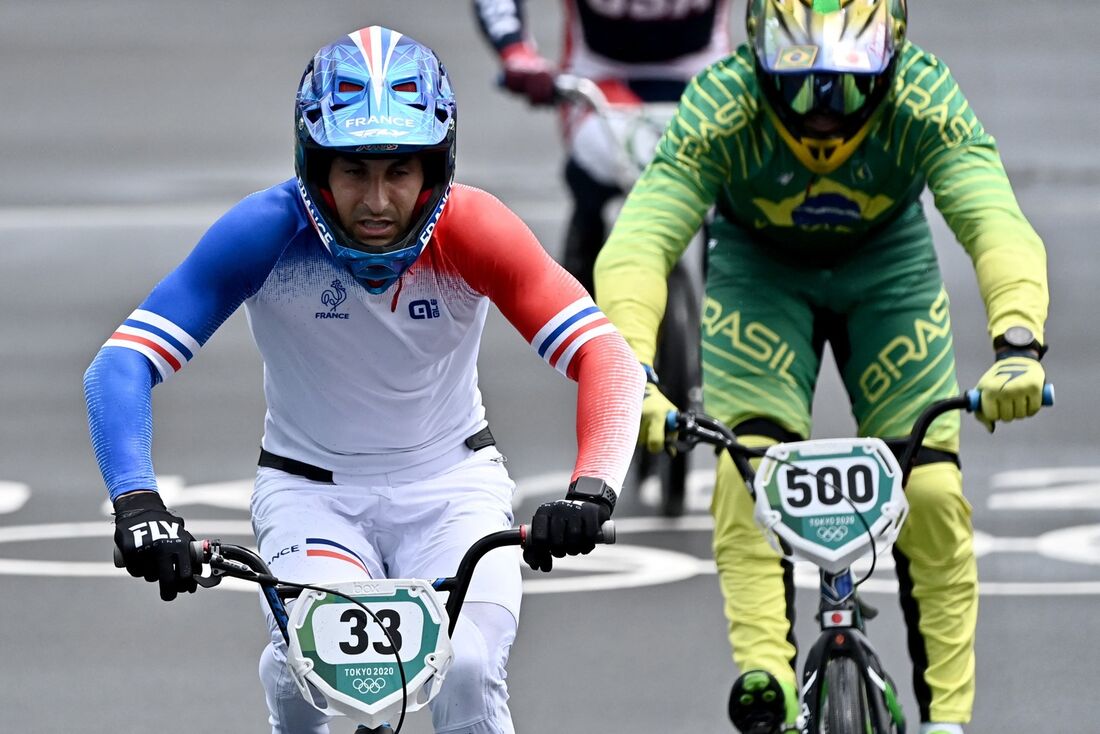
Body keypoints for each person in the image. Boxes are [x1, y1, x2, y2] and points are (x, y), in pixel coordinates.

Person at [85, 26, 643, 734]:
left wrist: (591, 490)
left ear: (435, 170)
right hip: (310, 495)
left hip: (451, 488)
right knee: (316, 678)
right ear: (314, 168)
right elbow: (121, 365)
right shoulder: (265, 232)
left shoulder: (474, 229)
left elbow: (607, 357)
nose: (377, 201)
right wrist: (138, 507)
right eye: (353, 171)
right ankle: (290, 679)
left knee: (465, 671)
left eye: (400, 171)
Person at [594, 1, 1049, 733]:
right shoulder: (723, 102)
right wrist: (631, 378)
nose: (823, 116)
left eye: (846, 86)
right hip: (760, 278)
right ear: (758, 62)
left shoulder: (924, 96)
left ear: (891, 62)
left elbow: (994, 218)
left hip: (887, 277)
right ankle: (766, 673)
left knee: (930, 493)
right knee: (749, 470)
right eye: (801, 86)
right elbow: (639, 244)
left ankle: (950, 720)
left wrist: (1018, 345)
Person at [473, 0, 733, 294]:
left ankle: (733, 315)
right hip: (599, 77)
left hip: (702, 75)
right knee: (592, 170)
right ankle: (575, 312)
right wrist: (517, 53)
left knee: (728, 196)